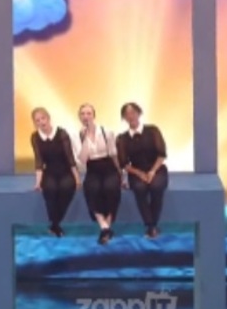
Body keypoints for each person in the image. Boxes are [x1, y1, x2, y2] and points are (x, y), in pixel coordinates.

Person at [117, 102, 168, 238]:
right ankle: (151, 226)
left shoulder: (153, 130)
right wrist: (140, 174)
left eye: (133, 112)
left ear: (139, 113)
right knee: (140, 189)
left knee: (156, 187)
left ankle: (152, 226)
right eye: (127, 114)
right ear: (124, 118)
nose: (130, 116)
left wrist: (152, 172)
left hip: (156, 168)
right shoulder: (122, 138)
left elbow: (162, 154)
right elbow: (124, 163)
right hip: (135, 171)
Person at [73, 103, 121, 245]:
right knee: (91, 189)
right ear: (79, 117)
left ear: (94, 116)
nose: (86, 116)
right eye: (82, 114)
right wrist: (85, 139)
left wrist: (120, 173)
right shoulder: (76, 136)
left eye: (88, 113)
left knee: (111, 188)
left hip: (108, 166)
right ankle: (104, 226)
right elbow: (82, 160)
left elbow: (113, 154)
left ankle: (107, 225)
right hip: (92, 168)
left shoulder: (107, 132)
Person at [30, 107, 81, 237]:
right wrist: (38, 182)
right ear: (35, 123)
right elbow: (39, 160)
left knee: (66, 188)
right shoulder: (35, 137)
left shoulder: (62, 133)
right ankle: (55, 225)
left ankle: (54, 224)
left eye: (43, 118)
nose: (41, 122)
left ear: (48, 118)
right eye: (37, 120)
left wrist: (77, 178)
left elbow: (70, 157)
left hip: (65, 170)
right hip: (50, 171)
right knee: (50, 190)